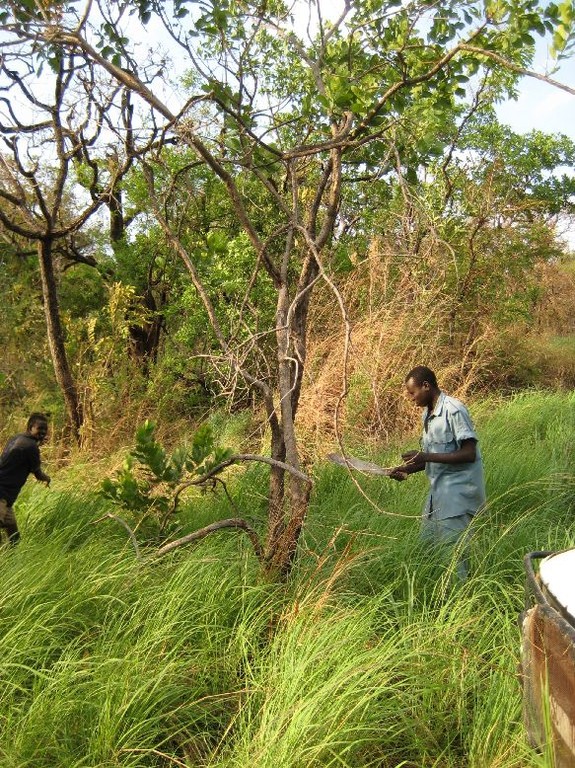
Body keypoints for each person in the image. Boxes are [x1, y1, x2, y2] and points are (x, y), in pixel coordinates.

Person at [390, 366, 486, 580]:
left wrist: (425, 456)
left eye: (412, 393)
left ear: (426, 386)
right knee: (427, 550)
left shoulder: (454, 409)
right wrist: (407, 469)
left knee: (455, 560)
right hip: (437, 495)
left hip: (458, 496)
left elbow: (469, 453)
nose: (410, 398)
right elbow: (438, 456)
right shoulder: (428, 414)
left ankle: (462, 606)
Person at [0, 412, 51, 545]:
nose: (43, 432)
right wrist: (47, 479)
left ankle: (10, 562)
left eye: (45, 430)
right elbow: (38, 474)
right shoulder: (31, 446)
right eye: (40, 429)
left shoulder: (16, 438)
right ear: (30, 428)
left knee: (14, 537)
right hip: (2, 495)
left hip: (7, 499)